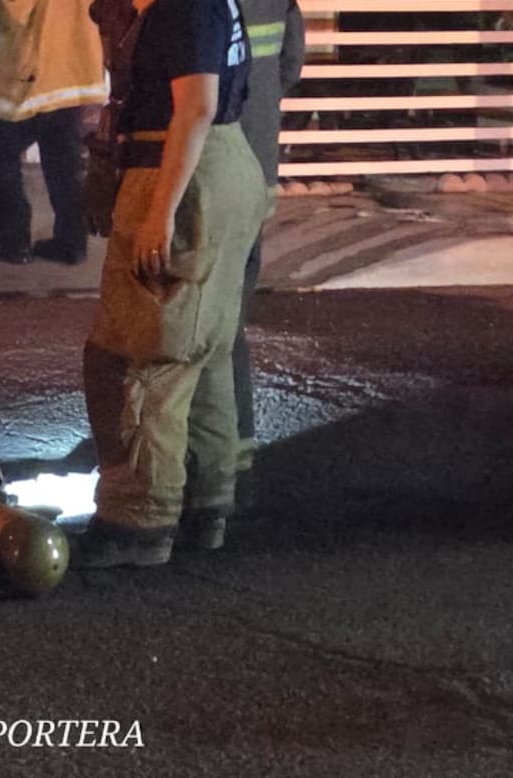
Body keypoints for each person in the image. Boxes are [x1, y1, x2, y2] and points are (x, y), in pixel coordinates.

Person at [77, 0, 268, 567]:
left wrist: (160, 211)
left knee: (141, 354)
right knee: (203, 350)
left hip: (183, 174)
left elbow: (197, 106)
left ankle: (138, 522)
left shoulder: (185, 7)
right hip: (217, 169)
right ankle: (207, 505)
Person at [0, 0, 105, 266]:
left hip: (35, 71)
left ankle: (13, 239)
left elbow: (13, 11)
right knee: (63, 159)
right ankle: (72, 241)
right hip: (78, 67)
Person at [232, 0, 305, 482]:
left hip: (206, 168)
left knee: (199, 321)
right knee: (231, 314)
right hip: (259, 164)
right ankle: (236, 448)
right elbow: (290, 62)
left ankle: (211, 449)